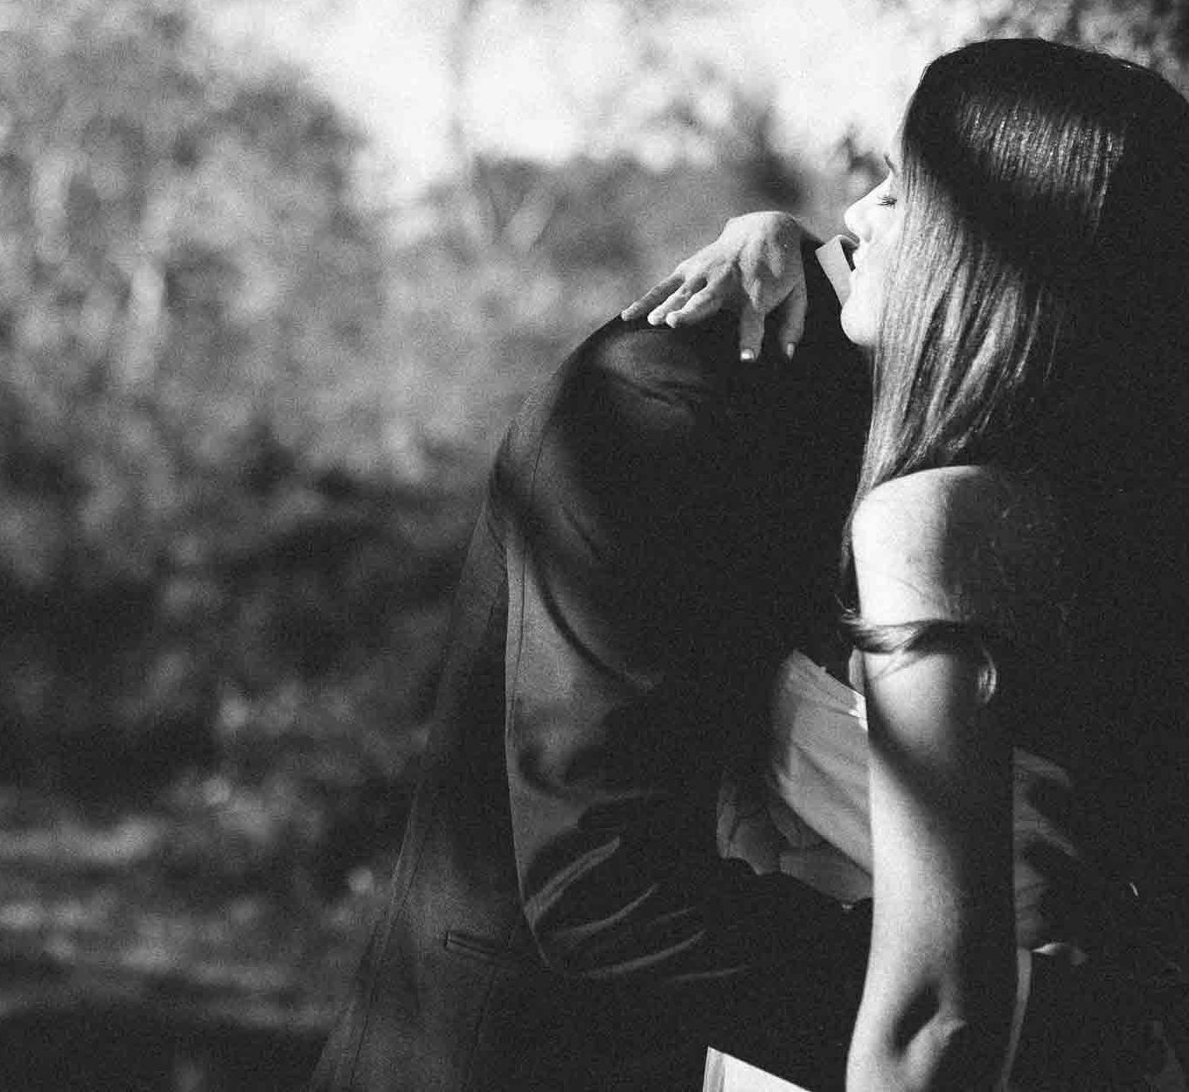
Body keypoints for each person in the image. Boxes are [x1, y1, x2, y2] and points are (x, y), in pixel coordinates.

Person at [673, 39, 1189, 1091]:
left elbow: (938, 1013)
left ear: (986, 250)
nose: (856, 214)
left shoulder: (928, 522)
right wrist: (770, 235)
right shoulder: (1101, 502)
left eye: (902, 193)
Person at [300, 211, 883, 1092]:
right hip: (521, 1048)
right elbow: (600, 876)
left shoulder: (882, 416)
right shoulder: (662, 396)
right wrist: (966, 1014)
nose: (870, 208)